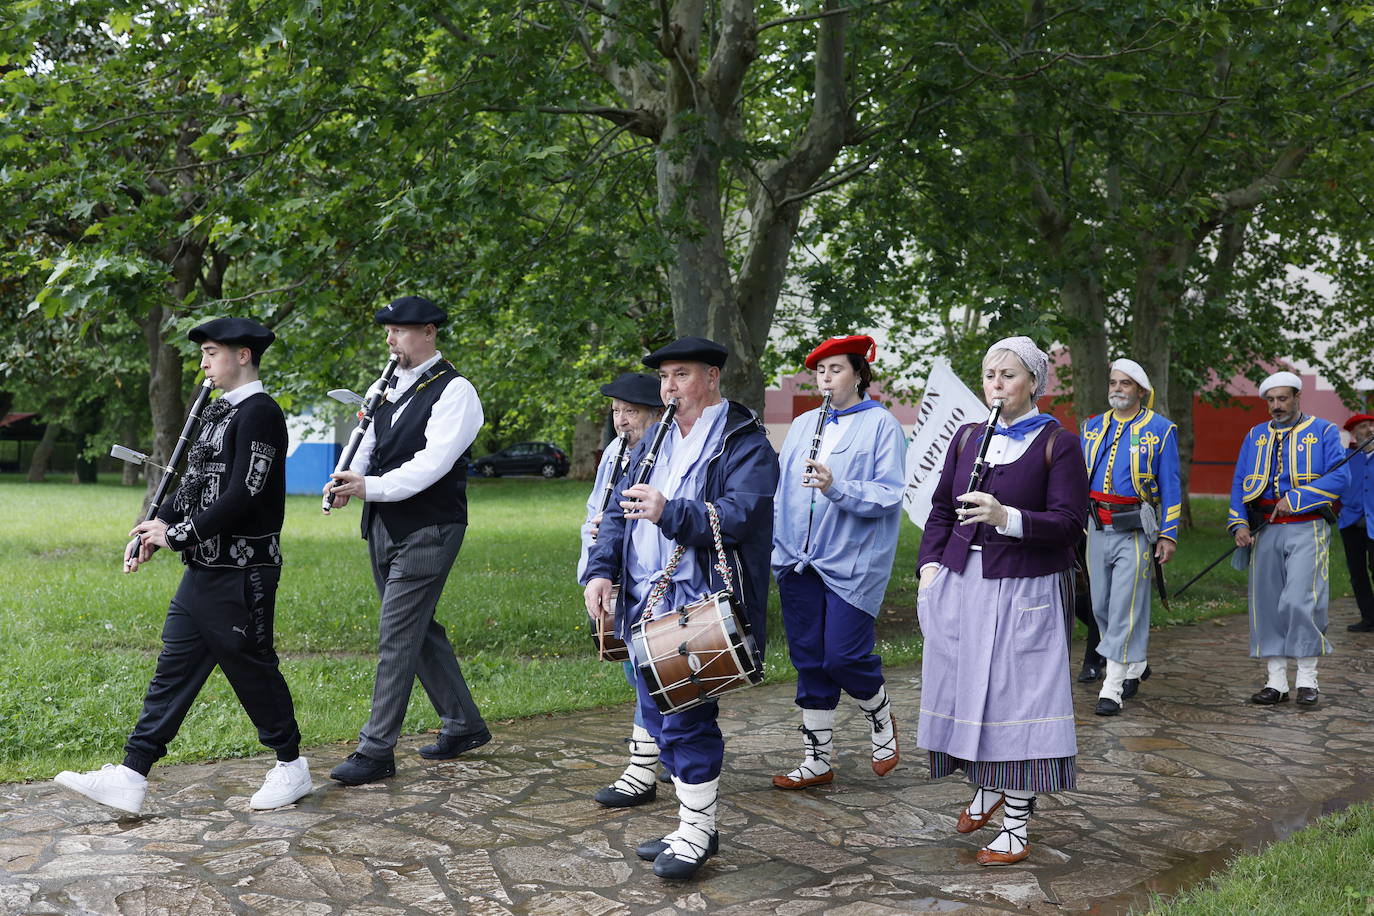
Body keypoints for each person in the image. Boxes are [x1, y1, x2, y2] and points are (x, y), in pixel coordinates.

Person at [55, 318, 310, 815]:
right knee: (172, 670)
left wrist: (178, 535)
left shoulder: (261, 414)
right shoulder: (216, 412)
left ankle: (291, 765)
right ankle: (132, 773)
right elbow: (191, 485)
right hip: (203, 571)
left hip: (243, 571)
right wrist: (157, 527)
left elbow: (244, 493)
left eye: (211, 353)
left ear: (242, 355)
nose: (202, 363)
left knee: (251, 668)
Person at [583, 336, 778, 879]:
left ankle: (696, 833)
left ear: (712, 378)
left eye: (682, 375)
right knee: (658, 715)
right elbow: (619, 511)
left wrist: (671, 512)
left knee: (688, 720)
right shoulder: (655, 438)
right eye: (665, 377)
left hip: (700, 601)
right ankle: (695, 824)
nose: (669, 387)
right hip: (645, 599)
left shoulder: (745, 442)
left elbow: (742, 517)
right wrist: (602, 571)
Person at [916, 336, 1088, 867]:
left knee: (1019, 701)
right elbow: (942, 507)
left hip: (1025, 587)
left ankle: (1016, 823)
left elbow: (1069, 524)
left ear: (1034, 382)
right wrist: (929, 566)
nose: (996, 384)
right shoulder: (969, 435)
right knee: (969, 690)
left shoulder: (1057, 442)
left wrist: (1005, 518)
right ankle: (987, 788)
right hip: (962, 583)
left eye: (1008, 375)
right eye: (990, 374)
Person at [324, 295, 490, 784]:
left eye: (400, 330)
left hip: (430, 526)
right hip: (384, 524)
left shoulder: (457, 391)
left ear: (429, 333)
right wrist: (346, 480)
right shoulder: (387, 384)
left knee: (397, 635)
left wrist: (369, 487)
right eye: (388, 331)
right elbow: (368, 445)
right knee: (417, 629)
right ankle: (463, 724)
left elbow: (431, 466)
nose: (391, 339)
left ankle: (376, 750)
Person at [770, 335, 907, 789]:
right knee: (809, 657)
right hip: (797, 561)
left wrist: (835, 486)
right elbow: (783, 493)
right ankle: (817, 759)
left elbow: (889, 495)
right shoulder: (805, 422)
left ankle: (880, 713)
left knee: (843, 655)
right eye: (821, 371)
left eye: (836, 370)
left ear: (859, 374)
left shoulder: (881, 425)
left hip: (852, 561)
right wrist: (778, 550)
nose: (826, 379)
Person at [1228, 371, 1348, 708]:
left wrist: (1297, 499)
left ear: (1297, 398)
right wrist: (1238, 523)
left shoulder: (1323, 431)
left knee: (1300, 600)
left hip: (1308, 525)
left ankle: (1307, 679)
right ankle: (1276, 681)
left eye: (1283, 398)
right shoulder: (1254, 436)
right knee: (1267, 604)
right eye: (1271, 400)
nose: (1276, 406)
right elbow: (1239, 482)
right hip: (1264, 528)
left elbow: (1341, 477)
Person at [576, 372, 668, 807]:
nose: (621, 421)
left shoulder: (668, 451)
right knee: (637, 670)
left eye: (630, 412)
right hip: (616, 574)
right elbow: (597, 509)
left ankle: (644, 766)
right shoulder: (615, 451)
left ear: (655, 413)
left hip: (656, 576)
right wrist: (593, 562)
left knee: (653, 670)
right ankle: (661, 749)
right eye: (616, 412)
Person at [1080, 358, 1181, 716]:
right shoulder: (1092, 427)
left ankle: (1112, 685)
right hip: (1095, 526)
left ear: (1141, 391)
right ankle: (1135, 663)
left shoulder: (1161, 430)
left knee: (1124, 603)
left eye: (1125, 384)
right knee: (1100, 604)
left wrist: (1168, 535)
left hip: (1135, 530)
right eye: (1113, 382)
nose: (1117, 389)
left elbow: (1171, 487)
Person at [1338, 414, 1374, 633]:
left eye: (1371, 425)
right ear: (1354, 433)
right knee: (1357, 572)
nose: (1369, 429)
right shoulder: (1346, 458)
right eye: (1363, 427)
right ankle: (1368, 617)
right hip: (1350, 522)